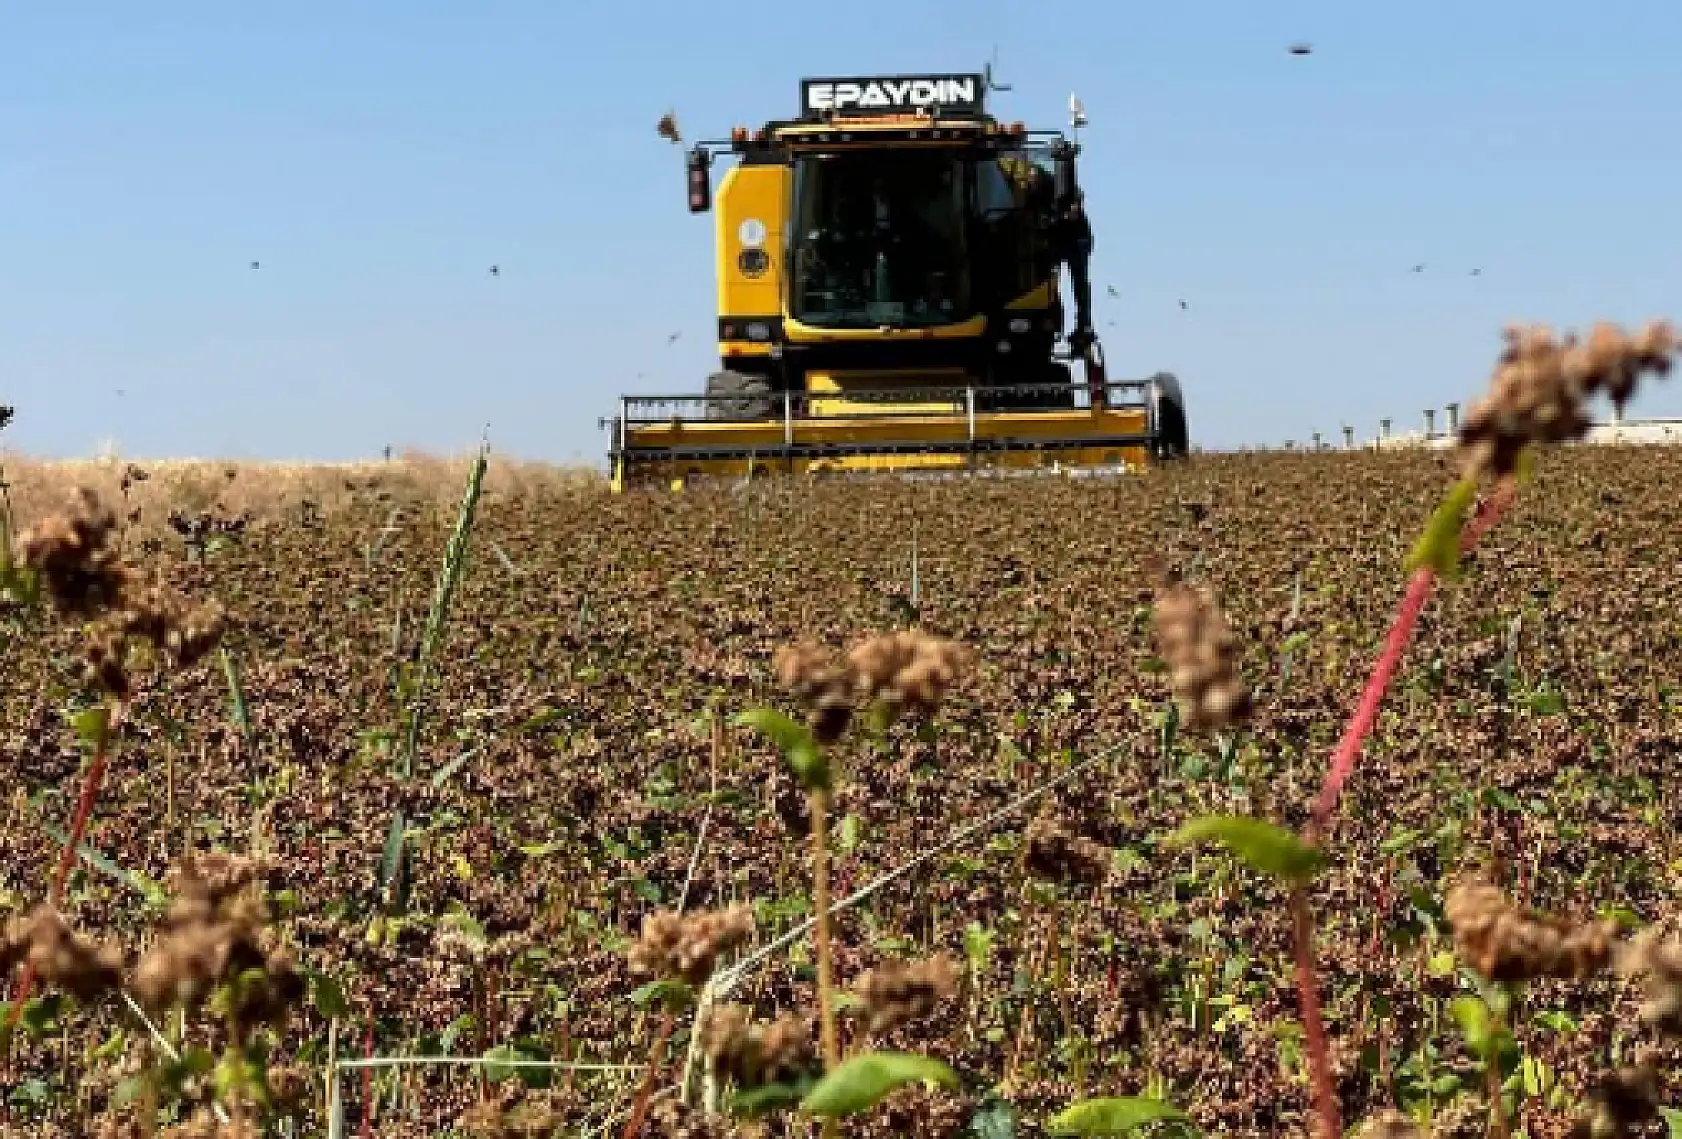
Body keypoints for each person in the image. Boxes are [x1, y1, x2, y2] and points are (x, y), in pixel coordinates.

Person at [1050, 189, 1094, 342]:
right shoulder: (1061, 222)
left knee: (1081, 287)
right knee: (1052, 286)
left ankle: (1083, 325)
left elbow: (1086, 247)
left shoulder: (1082, 224)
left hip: (1076, 253)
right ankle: (1056, 325)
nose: (1076, 207)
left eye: (1079, 204)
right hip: (1063, 249)